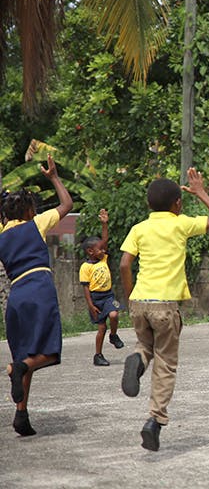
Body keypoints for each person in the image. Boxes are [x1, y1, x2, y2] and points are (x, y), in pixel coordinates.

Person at [119, 168, 209, 451]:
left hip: (140, 302)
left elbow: (124, 264)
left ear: (148, 204)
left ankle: (138, 361)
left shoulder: (139, 228)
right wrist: (201, 192)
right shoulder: (180, 224)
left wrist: (130, 296)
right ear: (177, 204)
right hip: (166, 305)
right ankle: (154, 421)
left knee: (144, 346)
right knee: (165, 364)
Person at [1, 154, 73, 436]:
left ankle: (21, 416)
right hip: (39, 288)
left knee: (23, 352)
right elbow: (67, 204)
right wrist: (54, 177)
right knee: (48, 353)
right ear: (30, 210)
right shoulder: (37, 223)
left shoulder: (2, 233)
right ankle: (18, 368)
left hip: (16, 295)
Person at [80, 208, 125, 367]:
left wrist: (104, 224)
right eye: (99, 249)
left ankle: (114, 335)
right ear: (90, 251)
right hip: (95, 298)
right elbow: (85, 287)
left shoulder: (103, 259)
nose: (103, 250)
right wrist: (90, 305)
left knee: (115, 313)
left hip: (109, 296)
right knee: (101, 327)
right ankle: (98, 355)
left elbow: (105, 241)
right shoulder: (86, 267)